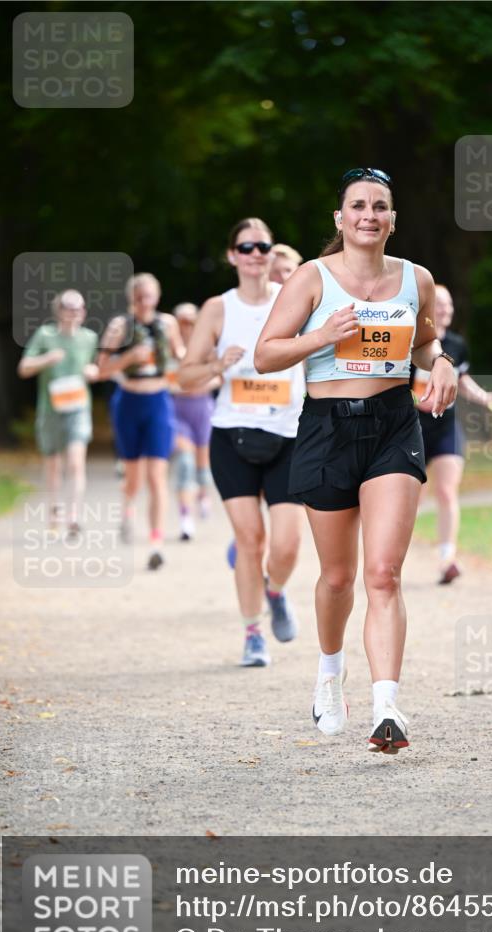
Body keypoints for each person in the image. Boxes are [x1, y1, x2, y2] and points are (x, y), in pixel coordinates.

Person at [255, 168, 457, 753]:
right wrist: (323, 335)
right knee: (338, 576)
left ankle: (387, 706)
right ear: (340, 219)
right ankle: (328, 672)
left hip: (394, 424)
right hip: (326, 429)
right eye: (358, 206)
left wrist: (439, 361)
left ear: (393, 219)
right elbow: (266, 355)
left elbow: (424, 341)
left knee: (384, 574)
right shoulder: (310, 279)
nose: (369, 215)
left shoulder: (415, 278)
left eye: (380, 207)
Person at [179, 218, 305, 667]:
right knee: (250, 540)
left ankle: (275, 591)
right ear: (232, 255)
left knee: (287, 545)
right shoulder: (218, 308)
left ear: (271, 254)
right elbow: (185, 375)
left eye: (262, 246)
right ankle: (253, 633)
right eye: (246, 246)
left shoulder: (294, 300)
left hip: (288, 436)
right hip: (231, 436)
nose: (255, 253)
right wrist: (216, 363)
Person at [413, 284, 492, 584]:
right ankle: (392, 557)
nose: (446, 310)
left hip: (445, 425)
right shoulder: (412, 342)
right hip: (412, 427)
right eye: (439, 304)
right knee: (411, 497)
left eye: (449, 305)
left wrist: (485, 397)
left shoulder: (456, 344)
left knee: (446, 490)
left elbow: (462, 381)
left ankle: (447, 558)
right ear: (427, 308)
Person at [97, 273, 184, 570]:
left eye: (148, 296)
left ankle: (156, 542)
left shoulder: (168, 324)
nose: (144, 302)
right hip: (128, 402)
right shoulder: (119, 326)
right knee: (133, 478)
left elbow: (179, 355)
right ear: (131, 298)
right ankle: (127, 510)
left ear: (157, 297)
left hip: (158, 402)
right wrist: (127, 357)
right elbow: (102, 369)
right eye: (138, 296)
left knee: (157, 476)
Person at [18, 289, 98, 536]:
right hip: (50, 409)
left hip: (78, 407)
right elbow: (24, 368)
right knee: (53, 465)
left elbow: (97, 368)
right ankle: (55, 514)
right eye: (69, 308)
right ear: (59, 310)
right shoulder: (45, 335)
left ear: (83, 312)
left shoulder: (90, 338)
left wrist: (93, 372)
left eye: (78, 308)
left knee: (76, 462)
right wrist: (47, 359)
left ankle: (74, 517)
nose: (74, 313)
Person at [171, 302, 220, 539]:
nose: (186, 326)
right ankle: (185, 518)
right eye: (182, 321)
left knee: (202, 467)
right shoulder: (169, 349)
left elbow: (220, 377)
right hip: (177, 411)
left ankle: (204, 495)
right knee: (185, 464)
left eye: (191, 321)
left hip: (203, 409)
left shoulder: (207, 348)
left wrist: (198, 383)